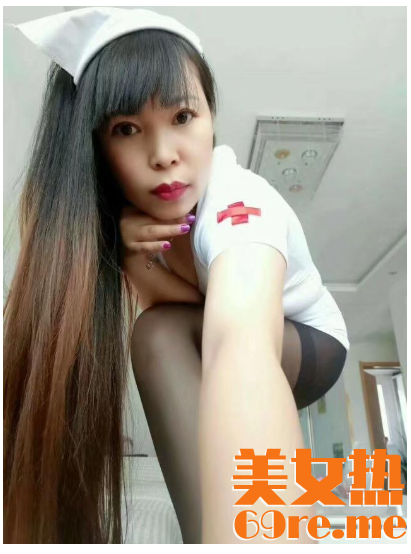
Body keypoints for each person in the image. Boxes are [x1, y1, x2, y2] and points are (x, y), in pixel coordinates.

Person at [3, 7, 349, 544]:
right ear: (97, 147)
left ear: (211, 116)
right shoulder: (136, 228)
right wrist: (131, 255)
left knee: (163, 336)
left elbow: (239, 341)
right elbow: (176, 307)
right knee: (157, 330)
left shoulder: (241, 203)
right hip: (210, 327)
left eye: (183, 116)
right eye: (126, 129)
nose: (163, 154)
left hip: (310, 344)